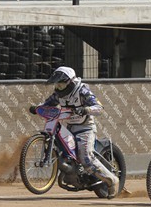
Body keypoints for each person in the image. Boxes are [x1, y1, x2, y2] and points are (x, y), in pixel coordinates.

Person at [29, 66, 119, 198]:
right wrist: (37, 107)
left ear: (70, 82)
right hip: (70, 127)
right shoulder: (58, 94)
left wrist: (86, 110)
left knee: (86, 158)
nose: (58, 87)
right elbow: (47, 103)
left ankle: (112, 180)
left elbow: (99, 107)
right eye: (57, 84)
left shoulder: (82, 91)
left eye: (61, 84)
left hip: (86, 128)